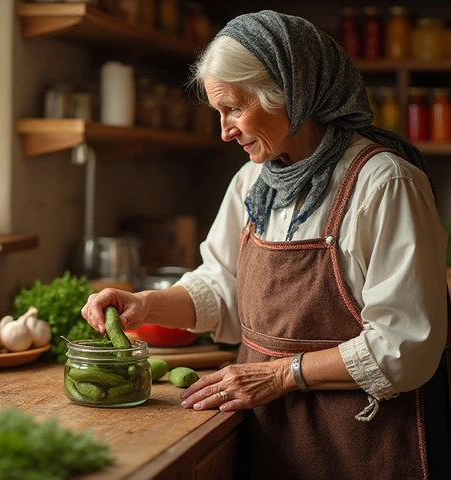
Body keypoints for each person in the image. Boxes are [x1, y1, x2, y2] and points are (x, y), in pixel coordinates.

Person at [81, 10, 451, 480]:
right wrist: (144, 304)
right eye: (219, 112)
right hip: (271, 436)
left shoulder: (384, 184)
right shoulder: (254, 181)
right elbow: (223, 289)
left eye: (234, 108)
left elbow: (404, 347)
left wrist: (279, 375)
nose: (224, 130)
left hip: (366, 443)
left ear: (290, 94)